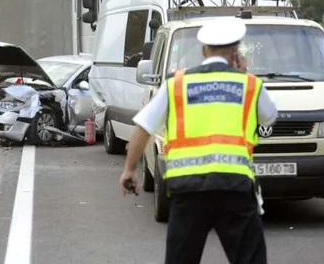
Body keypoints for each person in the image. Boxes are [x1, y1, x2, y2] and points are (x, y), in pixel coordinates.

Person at [118, 18, 278, 264]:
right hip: (234, 187)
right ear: (235, 52)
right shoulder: (249, 85)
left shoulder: (177, 85)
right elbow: (269, 117)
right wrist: (244, 74)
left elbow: (144, 127)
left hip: (188, 190)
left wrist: (129, 170)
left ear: (203, 51)